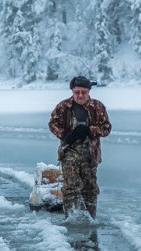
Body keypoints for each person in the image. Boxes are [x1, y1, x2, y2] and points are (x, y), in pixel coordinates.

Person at [48, 76, 112, 218]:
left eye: (83, 92)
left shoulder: (98, 107)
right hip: (69, 151)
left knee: (90, 188)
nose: (80, 95)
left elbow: (106, 128)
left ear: (89, 91)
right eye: (77, 92)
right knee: (71, 187)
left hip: (90, 153)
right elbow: (52, 124)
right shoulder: (63, 106)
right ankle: (70, 218)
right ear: (72, 91)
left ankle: (90, 219)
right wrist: (64, 134)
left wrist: (90, 130)